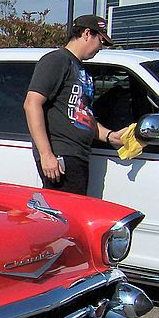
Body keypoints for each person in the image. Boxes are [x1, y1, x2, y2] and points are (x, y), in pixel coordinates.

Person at [24, 14, 128, 195]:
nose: (100, 48)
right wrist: (47, 155)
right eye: (100, 41)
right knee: (65, 218)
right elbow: (32, 104)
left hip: (77, 156)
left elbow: (81, 115)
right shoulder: (57, 61)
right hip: (61, 157)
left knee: (71, 217)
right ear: (87, 33)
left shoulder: (80, 69)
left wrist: (110, 136)